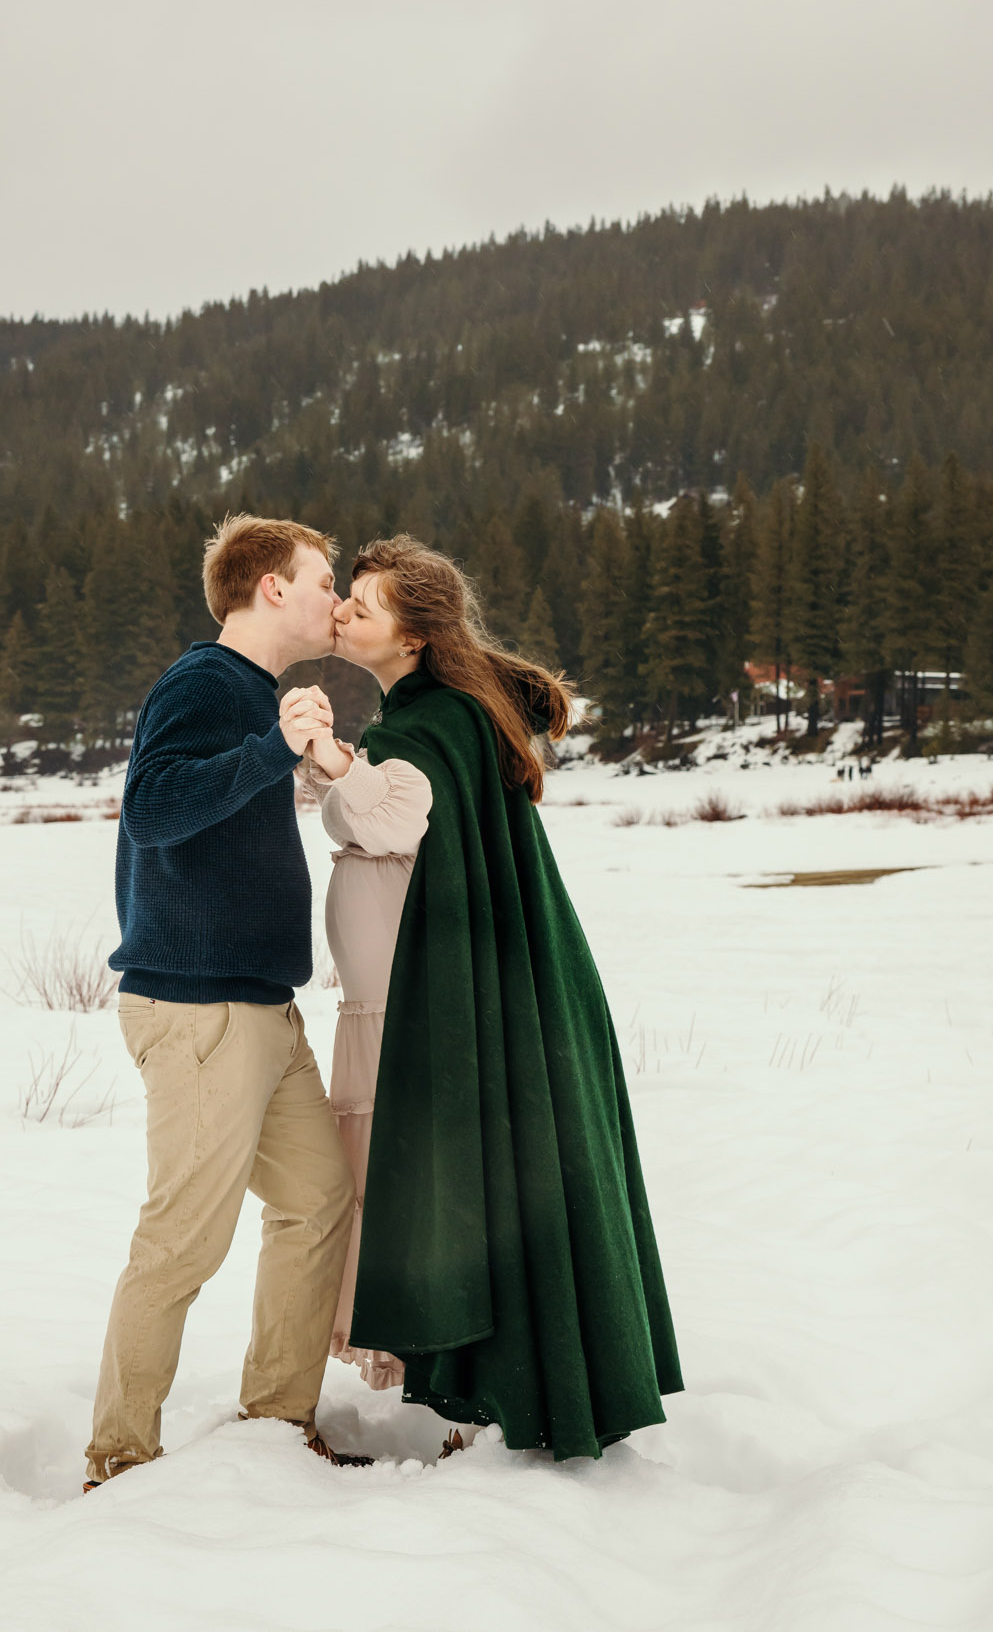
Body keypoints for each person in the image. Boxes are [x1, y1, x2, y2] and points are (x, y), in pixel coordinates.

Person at [300, 535, 682, 1460]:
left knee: (452, 1184)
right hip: (425, 1003)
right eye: (343, 597)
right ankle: (482, 1385)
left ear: (416, 635)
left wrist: (328, 755)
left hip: (429, 1011)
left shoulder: (430, 725)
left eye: (365, 603)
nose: (346, 613)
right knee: (457, 1183)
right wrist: (340, 763)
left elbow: (393, 812)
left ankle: (486, 1395)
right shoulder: (435, 714)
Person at [85, 514, 367, 1492]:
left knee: (317, 1201)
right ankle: (117, 1458)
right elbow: (154, 809)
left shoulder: (260, 694)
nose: (336, 599)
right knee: (182, 1240)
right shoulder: (205, 681)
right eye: (324, 579)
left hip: (257, 1006)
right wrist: (270, 748)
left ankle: (276, 1427)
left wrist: (301, 753)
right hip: (198, 1008)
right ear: (270, 587)